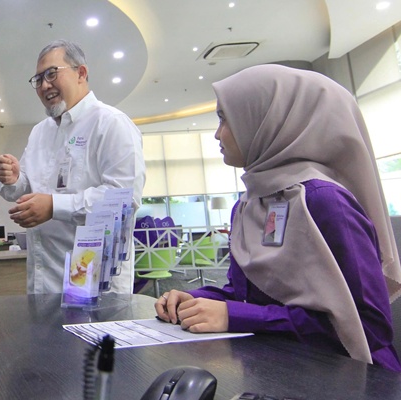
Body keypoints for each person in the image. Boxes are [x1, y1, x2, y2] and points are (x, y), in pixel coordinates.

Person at [155, 64, 401, 371]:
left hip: (354, 378)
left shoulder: (324, 201)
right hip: (280, 368)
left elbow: (369, 327)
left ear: (268, 121)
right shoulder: (250, 203)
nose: (217, 134)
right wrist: (193, 298)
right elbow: (248, 294)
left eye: (224, 118)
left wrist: (236, 316)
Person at [0, 39, 146, 294]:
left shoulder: (111, 123)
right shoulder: (40, 132)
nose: (44, 85)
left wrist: (54, 206)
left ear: (81, 73)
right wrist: (14, 178)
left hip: (94, 283)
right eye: (38, 79)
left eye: (52, 74)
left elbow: (124, 199)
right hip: (43, 280)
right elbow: (29, 188)